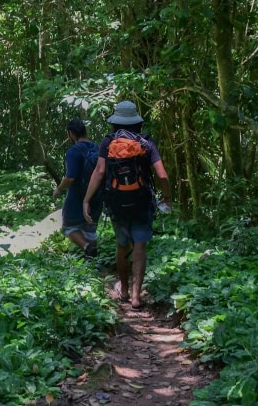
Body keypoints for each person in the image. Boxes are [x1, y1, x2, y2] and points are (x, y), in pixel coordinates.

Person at [83, 101, 172, 310]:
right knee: (140, 246)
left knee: (122, 245)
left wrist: (86, 199)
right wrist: (167, 197)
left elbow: (99, 172)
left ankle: (123, 290)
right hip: (141, 202)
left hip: (117, 203)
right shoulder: (147, 142)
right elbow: (162, 175)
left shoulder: (107, 142)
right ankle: (135, 296)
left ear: (116, 122)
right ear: (136, 122)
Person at [53, 119, 102, 258]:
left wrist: (59, 189)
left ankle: (87, 248)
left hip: (78, 196)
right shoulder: (96, 147)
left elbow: (70, 178)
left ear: (71, 134)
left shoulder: (74, 151)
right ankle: (93, 260)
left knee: (68, 227)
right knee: (90, 228)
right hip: (96, 194)